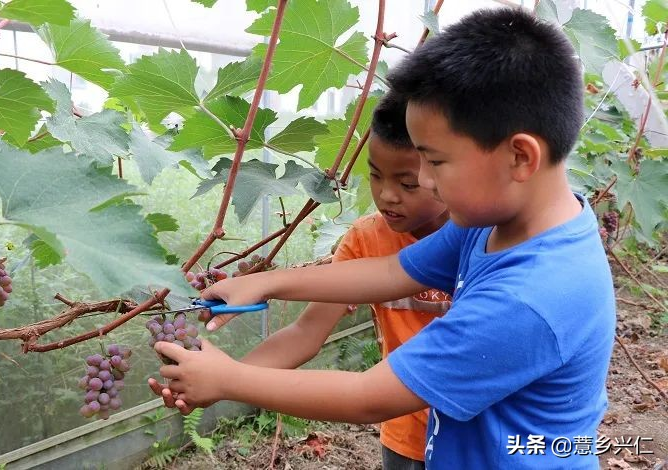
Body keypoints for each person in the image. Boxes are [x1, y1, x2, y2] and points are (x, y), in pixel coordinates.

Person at [152, 8, 616, 469]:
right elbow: (393, 271)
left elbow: (367, 397)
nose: (426, 181)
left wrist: (228, 379)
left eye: (435, 162)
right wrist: (266, 282)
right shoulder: (499, 224)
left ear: (520, 157)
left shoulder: (529, 298)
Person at [150, 90, 450, 470]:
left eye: (408, 184)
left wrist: (229, 378)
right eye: (375, 175)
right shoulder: (367, 240)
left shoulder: (485, 244)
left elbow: (366, 397)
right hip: (405, 435)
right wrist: (218, 377)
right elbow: (306, 332)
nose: (387, 195)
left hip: (479, 432)